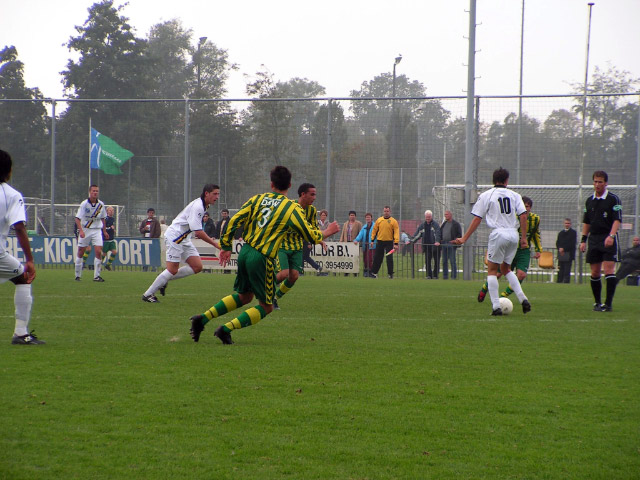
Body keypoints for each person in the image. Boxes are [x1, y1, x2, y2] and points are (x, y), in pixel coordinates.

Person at [188, 166, 339, 345]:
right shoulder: (291, 208)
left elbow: (234, 221)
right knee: (266, 307)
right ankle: (225, 329)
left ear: (271, 183)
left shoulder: (257, 199)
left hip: (245, 251)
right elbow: (310, 235)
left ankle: (202, 319)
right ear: (290, 185)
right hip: (262, 257)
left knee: (245, 296)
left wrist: (227, 247)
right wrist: (327, 232)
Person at [454, 167, 531, 316]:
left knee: (492, 270)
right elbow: (523, 216)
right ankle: (523, 299)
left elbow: (477, 218)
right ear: (507, 181)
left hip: (498, 233)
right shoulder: (515, 195)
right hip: (513, 234)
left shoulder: (486, 195)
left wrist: (464, 238)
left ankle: (496, 307)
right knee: (506, 269)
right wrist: (523, 238)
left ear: (493, 180)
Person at [142, 184, 221, 303]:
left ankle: (163, 279)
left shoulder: (205, 205)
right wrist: (215, 244)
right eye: (215, 194)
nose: (217, 196)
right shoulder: (199, 206)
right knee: (172, 270)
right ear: (206, 193)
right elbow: (198, 233)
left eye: (218, 194)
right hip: (175, 236)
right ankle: (148, 294)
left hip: (184, 238)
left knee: (197, 267)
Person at [0, 150, 45, 345]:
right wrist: (30, 259)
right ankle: (20, 333)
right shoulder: (11, 194)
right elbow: (19, 226)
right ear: (9, 171)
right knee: (23, 278)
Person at [273, 183, 332, 309]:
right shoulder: (290, 206)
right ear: (303, 194)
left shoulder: (311, 211)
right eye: (312, 194)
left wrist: (320, 240)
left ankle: (275, 298)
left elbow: (313, 228)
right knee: (283, 274)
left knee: (294, 276)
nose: (314, 197)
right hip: (282, 246)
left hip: (298, 247)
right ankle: (264, 289)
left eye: (315, 194)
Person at [478, 196, 542, 299]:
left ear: (530, 208)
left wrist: (538, 249)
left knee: (521, 275)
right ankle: (485, 288)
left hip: (523, 251)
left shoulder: (535, 219)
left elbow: (535, 234)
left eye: (528, 206)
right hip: (510, 250)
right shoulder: (512, 218)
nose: (525, 209)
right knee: (498, 274)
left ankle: (503, 296)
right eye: (524, 206)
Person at [580, 170, 623, 312]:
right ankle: (597, 303)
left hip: (607, 237)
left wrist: (611, 236)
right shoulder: (589, 200)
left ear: (606, 183)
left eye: (600, 182)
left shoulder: (613, 199)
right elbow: (587, 222)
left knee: (609, 270)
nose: (597, 184)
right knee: (595, 273)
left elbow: (617, 219)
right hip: (594, 239)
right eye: (595, 181)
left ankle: (608, 304)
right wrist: (583, 240)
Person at [74, 184, 108, 282]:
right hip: (86, 229)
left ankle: (96, 276)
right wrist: (81, 230)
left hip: (97, 230)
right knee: (81, 251)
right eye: (93, 191)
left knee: (98, 251)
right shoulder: (84, 204)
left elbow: (103, 218)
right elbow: (77, 218)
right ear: (90, 192)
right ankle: (77, 275)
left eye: (97, 191)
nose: (95, 193)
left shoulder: (101, 204)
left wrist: (104, 231)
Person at [369, 206, 399, 279]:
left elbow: (396, 232)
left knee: (389, 258)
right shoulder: (379, 220)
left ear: (390, 212)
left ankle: (390, 274)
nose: (386, 213)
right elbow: (374, 231)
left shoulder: (393, 221)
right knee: (377, 258)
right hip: (380, 241)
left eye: (387, 211)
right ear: (383, 212)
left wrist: (396, 243)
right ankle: (374, 273)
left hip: (389, 242)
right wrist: (372, 240)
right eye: (385, 211)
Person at [412, 210, 441, 279]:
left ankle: (435, 275)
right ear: (425, 217)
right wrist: (411, 241)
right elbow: (417, 234)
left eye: (429, 217)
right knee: (427, 261)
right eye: (427, 217)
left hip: (435, 247)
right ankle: (429, 275)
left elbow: (438, 234)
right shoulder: (422, 225)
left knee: (436, 261)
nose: (428, 218)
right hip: (426, 246)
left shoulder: (435, 225)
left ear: (431, 217)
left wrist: (437, 241)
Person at [440, 210, 462, 279]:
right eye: (445, 215)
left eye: (447, 214)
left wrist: (455, 240)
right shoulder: (444, 224)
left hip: (451, 244)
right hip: (444, 244)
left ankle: (453, 276)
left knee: (452, 261)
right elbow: (441, 232)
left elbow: (459, 234)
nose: (445, 216)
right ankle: (445, 276)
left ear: (450, 215)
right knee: (444, 261)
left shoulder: (456, 224)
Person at [556, 218, 577, 283]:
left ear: (570, 224)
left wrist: (564, 249)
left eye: (568, 223)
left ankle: (566, 282)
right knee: (560, 269)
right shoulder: (561, 233)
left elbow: (572, 243)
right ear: (564, 224)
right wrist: (559, 248)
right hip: (561, 254)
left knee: (567, 269)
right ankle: (559, 281)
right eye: (566, 223)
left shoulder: (573, 233)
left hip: (569, 254)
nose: (567, 224)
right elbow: (558, 242)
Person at [139, 207, 161, 272]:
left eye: (152, 213)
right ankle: (145, 268)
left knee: (152, 254)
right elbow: (141, 230)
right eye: (150, 213)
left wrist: (153, 238)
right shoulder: (144, 221)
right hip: (145, 240)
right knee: (145, 254)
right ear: (147, 213)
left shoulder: (156, 222)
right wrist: (144, 229)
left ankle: (154, 268)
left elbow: (158, 232)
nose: (151, 214)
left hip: (152, 240)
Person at [101, 206, 117, 271]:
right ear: (107, 211)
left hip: (112, 239)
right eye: (110, 210)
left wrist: (113, 230)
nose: (111, 212)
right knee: (104, 254)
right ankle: (99, 265)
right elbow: (103, 228)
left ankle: (107, 265)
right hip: (106, 240)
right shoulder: (105, 219)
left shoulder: (112, 219)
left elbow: (112, 227)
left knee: (114, 252)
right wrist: (110, 228)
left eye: (112, 210)